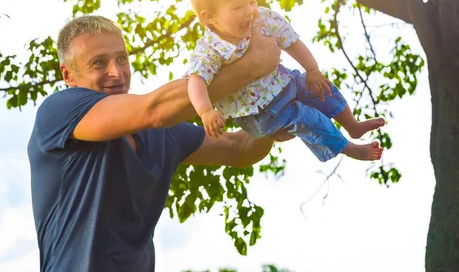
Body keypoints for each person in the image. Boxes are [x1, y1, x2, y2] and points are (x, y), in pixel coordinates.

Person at [27, 15, 292, 272]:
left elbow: (239, 150)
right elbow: (153, 109)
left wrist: (278, 115)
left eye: (121, 58)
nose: (116, 72)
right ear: (68, 74)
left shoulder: (162, 134)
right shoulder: (58, 112)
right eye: (98, 63)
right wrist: (249, 67)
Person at [185, 0, 385, 162]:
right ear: (210, 17)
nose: (250, 11)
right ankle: (350, 149)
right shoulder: (209, 49)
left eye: (252, 1)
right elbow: (196, 80)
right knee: (307, 118)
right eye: (238, 7)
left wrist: (313, 70)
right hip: (260, 111)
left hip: (284, 82)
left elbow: (292, 42)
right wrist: (206, 111)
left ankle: (352, 125)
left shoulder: (261, 19)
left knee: (320, 87)